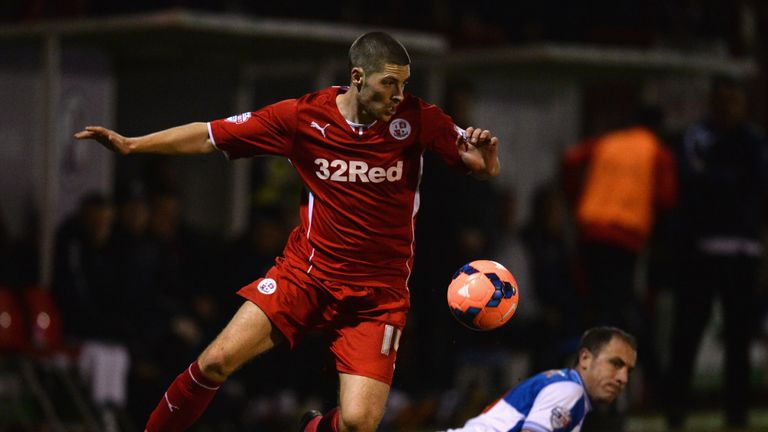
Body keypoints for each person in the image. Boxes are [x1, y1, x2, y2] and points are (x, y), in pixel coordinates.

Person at [75, 31, 500, 432]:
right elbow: (209, 136)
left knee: (358, 424)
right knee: (215, 360)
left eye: (404, 85)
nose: (399, 95)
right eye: (389, 84)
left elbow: (478, 165)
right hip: (306, 277)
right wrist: (133, 145)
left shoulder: (419, 119)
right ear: (357, 77)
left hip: (377, 297)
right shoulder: (303, 116)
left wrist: (487, 163)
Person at [665, 75, 768, 430]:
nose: (728, 107)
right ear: (713, 103)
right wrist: (732, 183)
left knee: (739, 339)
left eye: (734, 100)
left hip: (742, 251)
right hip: (701, 251)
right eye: (722, 100)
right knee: (687, 333)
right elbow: (695, 180)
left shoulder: (753, 140)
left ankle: (735, 415)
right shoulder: (698, 137)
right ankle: (676, 411)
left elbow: (758, 183)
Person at [444, 326, 637, 432]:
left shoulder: (564, 385)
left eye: (628, 370)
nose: (623, 378)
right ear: (585, 358)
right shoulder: (570, 390)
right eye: (615, 364)